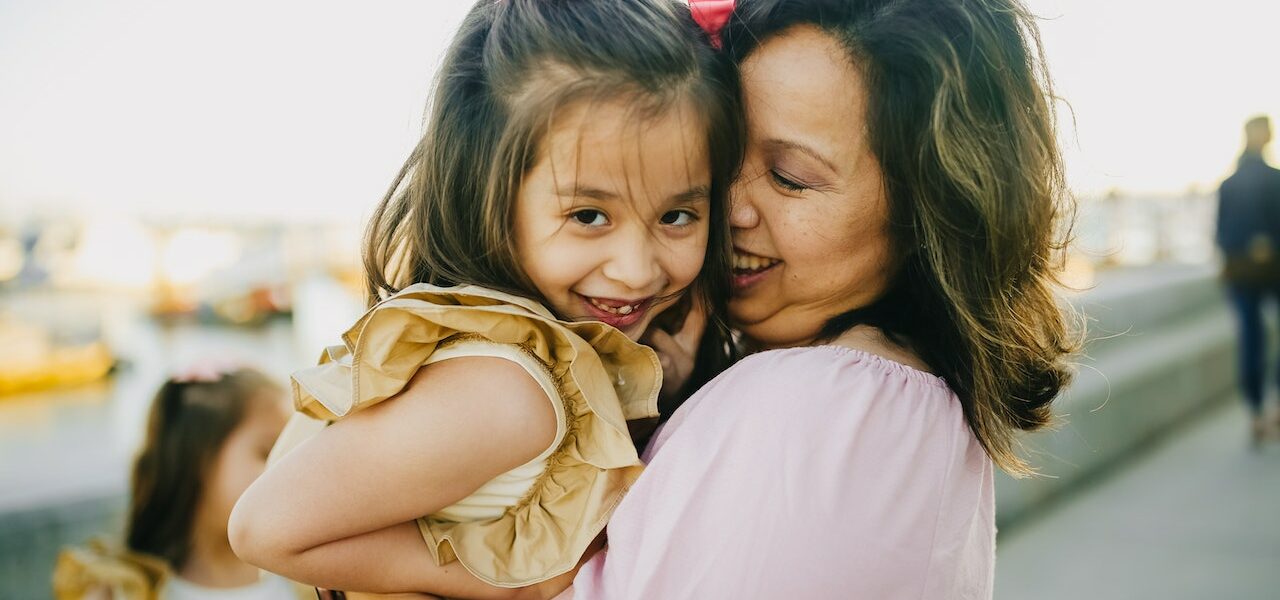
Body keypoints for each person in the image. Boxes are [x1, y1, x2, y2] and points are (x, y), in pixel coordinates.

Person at [565, 0, 1078, 597]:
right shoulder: (891, 401)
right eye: (723, 154)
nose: (730, 207)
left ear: (928, 212)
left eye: (791, 178)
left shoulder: (822, 410)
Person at [227, 0, 740, 598]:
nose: (637, 270)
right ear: (487, 196)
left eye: (677, 215)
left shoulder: (515, 360)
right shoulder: (510, 393)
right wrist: (506, 585)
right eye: (589, 215)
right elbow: (263, 528)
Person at [53, 365, 302, 600]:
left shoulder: (305, 576)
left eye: (292, 450)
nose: (288, 467)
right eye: (267, 451)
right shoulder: (123, 589)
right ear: (196, 460)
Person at [1216, 115, 1280, 447]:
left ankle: (1256, 411)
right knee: (1254, 340)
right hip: (1271, 270)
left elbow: (1221, 235)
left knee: (1250, 340)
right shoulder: (1274, 179)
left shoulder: (1229, 183)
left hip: (1239, 271)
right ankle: (1270, 406)